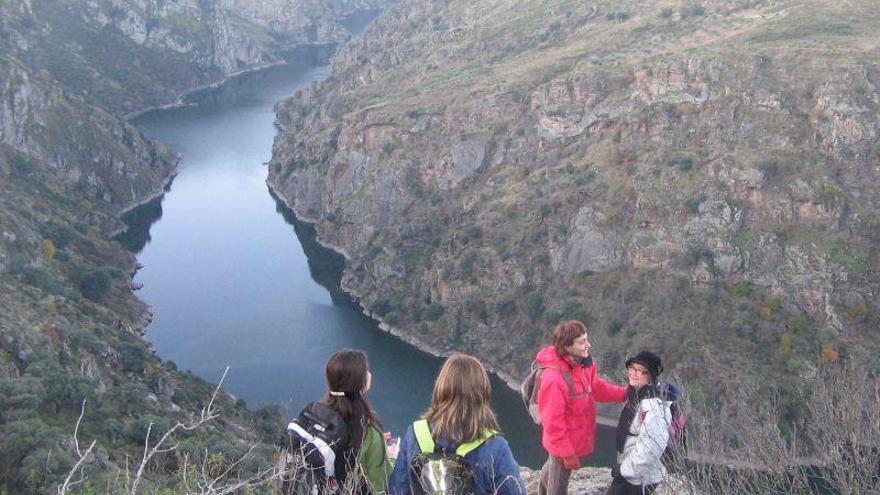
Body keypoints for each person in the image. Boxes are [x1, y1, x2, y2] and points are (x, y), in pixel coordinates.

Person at [388, 354, 526, 495]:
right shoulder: (495, 447)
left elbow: (397, 489)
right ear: (482, 393)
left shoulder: (415, 434)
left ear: (441, 388)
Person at [536, 320, 627, 495]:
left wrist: (624, 394)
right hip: (563, 443)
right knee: (559, 485)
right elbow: (553, 423)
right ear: (567, 347)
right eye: (582, 342)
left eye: (586, 339)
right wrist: (567, 453)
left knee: (552, 469)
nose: (588, 345)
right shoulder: (554, 379)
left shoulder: (583, 365)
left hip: (571, 438)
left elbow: (597, 388)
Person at [323, 349, 397, 495]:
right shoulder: (366, 429)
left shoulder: (318, 414)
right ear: (362, 382)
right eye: (366, 370)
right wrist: (391, 457)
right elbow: (382, 485)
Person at [606, 351, 673, 495]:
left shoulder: (654, 407)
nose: (633, 373)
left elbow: (650, 449)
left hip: (641, 478)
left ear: (650, 378)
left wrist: (623, 470)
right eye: (632, 368)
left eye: (640, 371)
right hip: (632, 473)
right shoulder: (636, 396)